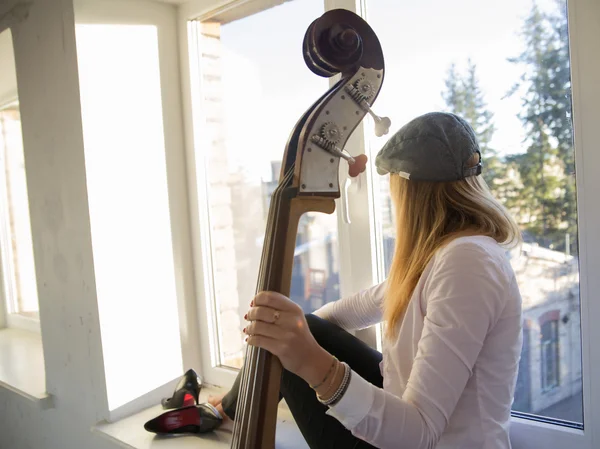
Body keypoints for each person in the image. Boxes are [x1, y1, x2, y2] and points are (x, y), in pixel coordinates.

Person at [208, 112, 523, 449]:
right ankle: (230, 409)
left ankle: (225, 412)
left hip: (418, 440)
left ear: (411, 196)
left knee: (297, 340)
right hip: (407, 427)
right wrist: (298, 336)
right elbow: (339, 314)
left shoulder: (468, 263)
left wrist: (311, 363)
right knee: (298, 329)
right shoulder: (445, 255)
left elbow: (420, 433)